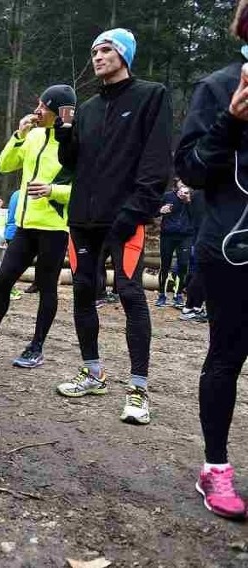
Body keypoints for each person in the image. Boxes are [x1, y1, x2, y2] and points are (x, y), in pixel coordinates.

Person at [54, 29, 172, 425]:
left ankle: (138, 389)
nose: (97, 57)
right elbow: (71, 164)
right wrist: (64, 133)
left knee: (130, 293)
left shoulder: (150, 96)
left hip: (124, 217)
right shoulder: (85, 109)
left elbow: (156, 161)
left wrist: (135, 210)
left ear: (124, 55)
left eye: (105, 50)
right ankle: (92, 372)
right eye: (93, 52)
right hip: (83, 219)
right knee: (84, 290)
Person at [174, 0, 248, 519]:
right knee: (227, 356)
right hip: (232, 248)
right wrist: (230, 121)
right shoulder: (217, 86)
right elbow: (192, 170)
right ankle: (215, 468)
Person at [0, 85, 75, 368]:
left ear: (60, 112)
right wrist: (19, 134)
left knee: (47, 287)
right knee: (3, 279)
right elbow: (4, 165)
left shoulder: (73, 141)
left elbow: (84, 186)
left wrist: (52, 191)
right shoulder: (33, 135)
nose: (37, 111)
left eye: (43, 107)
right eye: (37, 105)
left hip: (54, 226)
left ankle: (36, 347)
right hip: (24, 225)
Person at [155, 179, 194, 308]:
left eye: (186, 183)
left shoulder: (192, 198)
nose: (184, 185)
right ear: (176, 184)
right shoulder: (167, 196)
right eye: (181, 182)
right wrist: (161, 211)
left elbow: (197, 216)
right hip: (168, 235)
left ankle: (178, 295)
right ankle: (162, 294)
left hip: (185, 236)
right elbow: (154, 212)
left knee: (183, 265)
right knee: (165, 264)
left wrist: (188, 202)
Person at [179, 187, 208, 322]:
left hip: (199, 239)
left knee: (198, 273)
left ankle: (196, 307)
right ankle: (189, 307)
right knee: (200, 274)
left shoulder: (196, 195)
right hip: (205, 239)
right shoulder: (205, 194)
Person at [5, 189, 24, 300]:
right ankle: (10, 289)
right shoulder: (24, 194)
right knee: (15, 265)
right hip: (18, 232)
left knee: (12, 263)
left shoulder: (15, 193)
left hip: (10, 230)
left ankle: (9, 288)